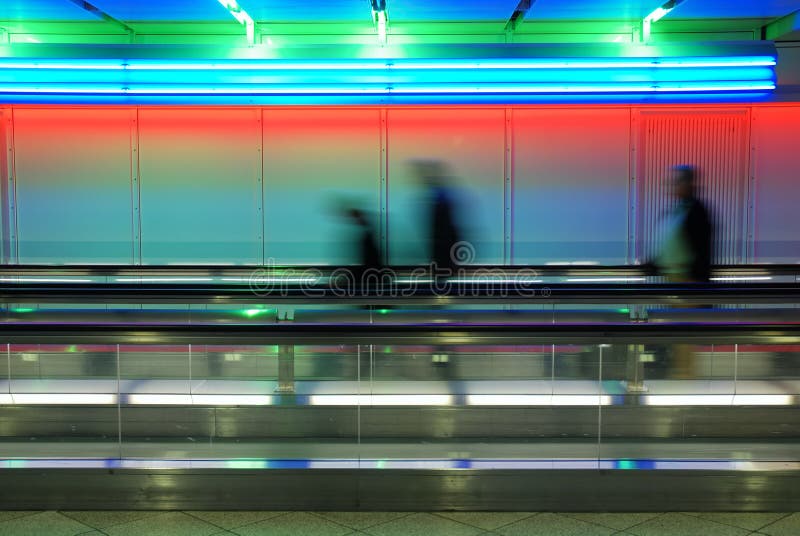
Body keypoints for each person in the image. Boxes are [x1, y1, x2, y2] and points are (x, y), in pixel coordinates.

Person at [652, 165, 713, 379]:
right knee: (677, 330)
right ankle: (679, 374)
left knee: (684, 332)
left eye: (677, 182)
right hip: (674, 280)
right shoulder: (676, 210)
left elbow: (702, 249)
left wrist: (695, 280)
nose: (672, 186)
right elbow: (671, 245)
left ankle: (684, 377)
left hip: (687, 281)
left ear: (689, 183)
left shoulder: (697, 211)